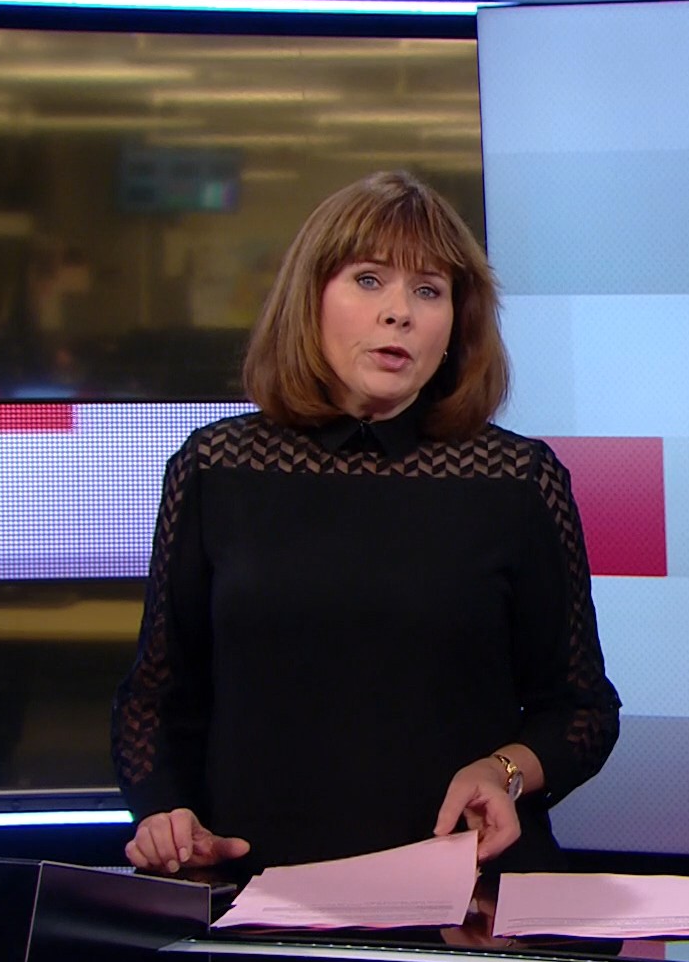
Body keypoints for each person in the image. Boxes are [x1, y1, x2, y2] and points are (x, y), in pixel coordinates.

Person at [110, 171, 621, 882]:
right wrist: (165, 814)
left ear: (456, 323)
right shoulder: (214, 468)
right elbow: (156, 699)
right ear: (310, 298)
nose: (399, 313)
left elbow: (582, 711)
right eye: (370, 280)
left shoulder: (517, 480)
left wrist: (503, 771)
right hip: (263, 894)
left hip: (465, 895)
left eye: (428, 291)